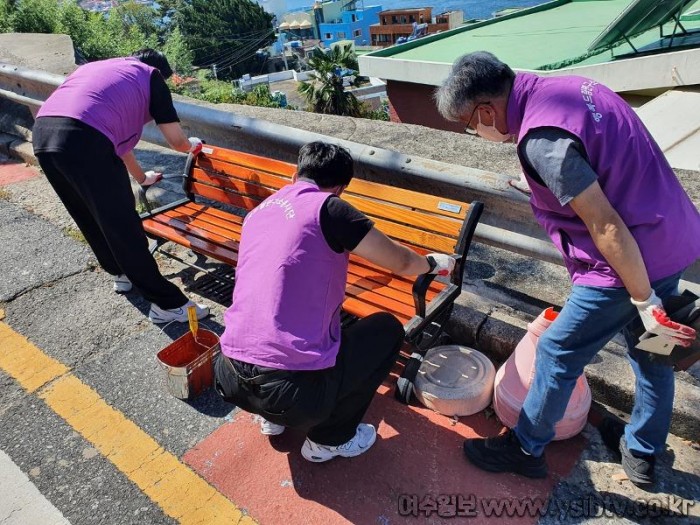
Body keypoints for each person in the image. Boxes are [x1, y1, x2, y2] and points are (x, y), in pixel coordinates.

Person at [435, 51, 699, 484]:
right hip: (669, 235)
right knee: (653, 356)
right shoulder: (572, 88)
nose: (475, 131)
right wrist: (543, 185)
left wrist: (643, 298)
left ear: (485, 109)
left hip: (624, 264)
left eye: (470, 124)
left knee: (557, 352)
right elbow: (601, 161)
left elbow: (606, 224)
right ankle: (645, 450)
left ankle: (525, 448)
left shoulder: (541, 141)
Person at [214, 141, 456, 462]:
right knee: (386, 330)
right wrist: (432, 263)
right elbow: (400, 262)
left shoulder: (261, 211)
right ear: (340, 187)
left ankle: (271, 418)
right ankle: (330, 439)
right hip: (290, 394)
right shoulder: (330, 209)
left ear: (296, 173)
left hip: (227, 374)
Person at [32, 49, 209, 324]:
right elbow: (176, 141)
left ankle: (120, 272)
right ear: (160, 73)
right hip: (84, 140)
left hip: (44, 135)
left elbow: (116, 143)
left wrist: (142, 179)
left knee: (88, 214)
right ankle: (167, 304)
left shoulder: (102, 68)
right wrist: (193, 145)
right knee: (123, 224)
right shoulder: (151, 77)